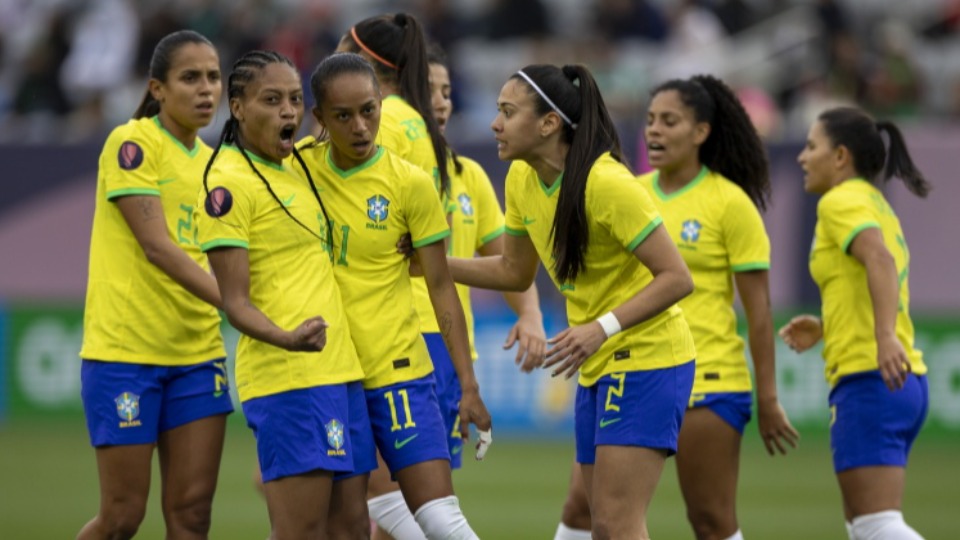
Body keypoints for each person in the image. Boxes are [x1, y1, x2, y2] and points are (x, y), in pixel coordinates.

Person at [447, 64, 697, 540]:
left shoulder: (607, 183)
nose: (494, 124)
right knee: (592, 520)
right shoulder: (521, 178)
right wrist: (431, 264)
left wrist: (600, 328)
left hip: (648, 358)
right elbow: (513, 271)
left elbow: (676, 278)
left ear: (548, 124)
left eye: (508, 112)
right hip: (596, 363)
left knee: (617, 524)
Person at [555, 74, 801, 540]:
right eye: (650, 120)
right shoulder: (627, 188)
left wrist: (768, 399)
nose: (654, 130)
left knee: (710, 521)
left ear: (701, 131)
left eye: (670, 121)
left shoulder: (731, 204)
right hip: (630, 369)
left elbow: (760, 313)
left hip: (710, 381)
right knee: (582, 509)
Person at [336, 14, 539, 539]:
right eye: (431, 89)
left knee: (386, 493)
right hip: (418, 336)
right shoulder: (423, 149)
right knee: (392, 498)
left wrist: (531, 315)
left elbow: (506, 265)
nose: (441, 101)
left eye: (447, 91)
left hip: (404, 334)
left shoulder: (428, 151)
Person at [299, 51, 492, 540]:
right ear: (320, 117)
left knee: (440, 518)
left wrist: (468, 384)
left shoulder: (411, 184)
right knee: (345, 527)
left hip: (400, 368)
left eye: (369, 110)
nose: (360, 126)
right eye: (343, 116)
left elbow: (441, 286)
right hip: (331, 376)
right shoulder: (296, 169)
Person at [196, 50, 374, 539]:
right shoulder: (227, 185)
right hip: (289, 378)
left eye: (295, 99)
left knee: (353, 529)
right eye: (272, 100)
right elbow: (235, 303)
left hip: (340, 371)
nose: (288, 111)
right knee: (301, 531)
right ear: (237, 107)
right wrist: (288, 338)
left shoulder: (298, 166)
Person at [77, 29, 233, 540]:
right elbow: (157, 247)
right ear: (157, 88)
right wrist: (240, 307)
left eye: (213, 77)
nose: (206, 89)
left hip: (198, 356)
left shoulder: (217, 165)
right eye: (190, 78)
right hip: (127, 353)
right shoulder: (133, 143)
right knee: (122, 518)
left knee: (192, 517)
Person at [781, 106, 930, 540]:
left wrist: (884, 337)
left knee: (875, 525)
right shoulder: (875, 204)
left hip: (870, 377)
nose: (802, 157)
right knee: (863, 528)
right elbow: (870, 277)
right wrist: (828, 325)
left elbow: (880, 261)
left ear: (840, 156)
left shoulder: (840, 200)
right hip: (897, 380)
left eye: (812, 146)